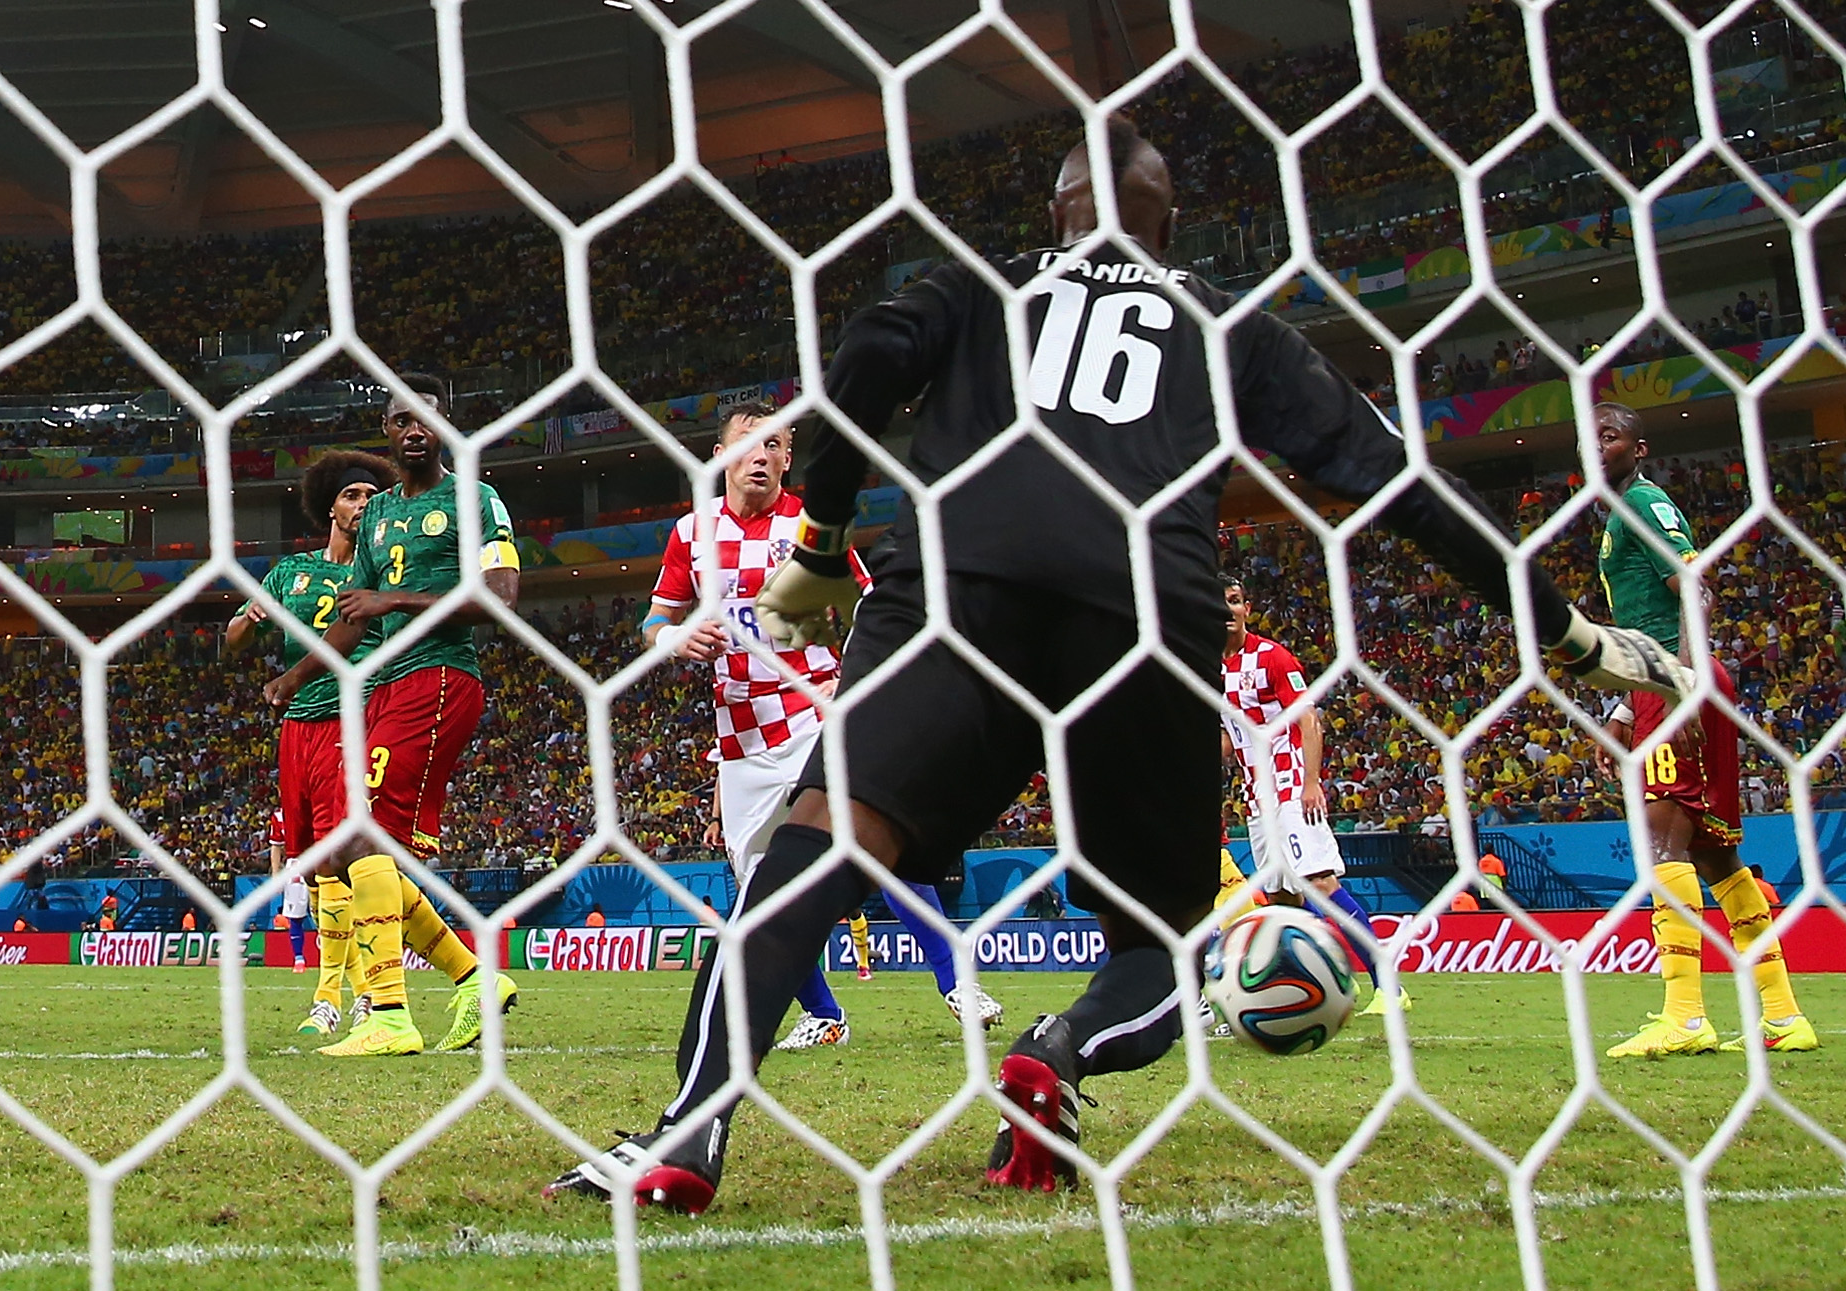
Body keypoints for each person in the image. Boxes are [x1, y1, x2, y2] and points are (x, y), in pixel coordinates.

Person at [549, 119, 1685, 1211]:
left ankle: (692, 1127)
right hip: (1142, 609)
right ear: (1171, 220)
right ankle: (1060, 1051)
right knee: (1163, 946)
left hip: (961, 582)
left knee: (821, 845)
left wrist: (820, 537)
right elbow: (1402, 484)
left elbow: (863, 359)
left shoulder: (979, 283)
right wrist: (1565, 632)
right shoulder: (1231, 325)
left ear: (1057, 209)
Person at [646, 402, 997, 1045]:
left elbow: (868, 610)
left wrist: (851, 680)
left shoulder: (812, 525)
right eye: (747, 442)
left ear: (788, 457)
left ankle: (957, 982)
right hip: (742, 739)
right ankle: (825, 1017)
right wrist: (675, 638)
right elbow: (655, 622)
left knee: (869, 846)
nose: (761, 454)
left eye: (775, 444)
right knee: (764, 893)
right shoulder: (690, 532)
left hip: (814, 713)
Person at [1590, 403, 1815, 1056]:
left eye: (1610, 434)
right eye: (1590, 435)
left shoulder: (1645, 501)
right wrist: (1626, 711)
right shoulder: (1619, 513)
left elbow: (1694, 589)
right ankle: (1783, 1013)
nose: (1597, 444)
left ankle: (1684, 1015)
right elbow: (1649, 621)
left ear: (1639, 448)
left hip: (1679, 678)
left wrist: (1681, 691)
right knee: (1715, 853)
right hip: (1663, 678)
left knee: (1663, 844)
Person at [313, 394, 523, 1058]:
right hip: (383, 686)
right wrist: (297, 679)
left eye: (426, 418)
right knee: (356, 852)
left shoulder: (477, 496)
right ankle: (473, 980)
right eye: (402, 418)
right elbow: (355, 612)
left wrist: (395, 599)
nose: (415, 429)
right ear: (387, 430)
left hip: (439, 675)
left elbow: (501, 597)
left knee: (359, 838)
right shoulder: (376, 513)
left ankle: (392, 1015)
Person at [232, 448, 398, 1036]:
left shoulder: (380, 575)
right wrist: (247, 621)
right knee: (314, 865)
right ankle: (351, 992)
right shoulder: (289, 573)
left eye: (373, 499)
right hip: (296, 726)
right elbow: (234, 639)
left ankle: (340, 996)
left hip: (351, 721)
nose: (363, 506)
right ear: (330, 504)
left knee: (340, 861)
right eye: (354, 495)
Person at [1218, 577, 1395, 1016]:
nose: (1230, 610)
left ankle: (1388, 985)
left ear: (1247, 609)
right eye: (1221, 602)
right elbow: (1231, 738)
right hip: (1258, 798)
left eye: (1237, 602)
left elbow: (1308, 720)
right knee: (1281, 900)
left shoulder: (1272, 657)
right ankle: (1318, 987)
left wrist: (1311, 782)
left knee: (1319, 884)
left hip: (1291, 788)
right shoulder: (1211, 669)